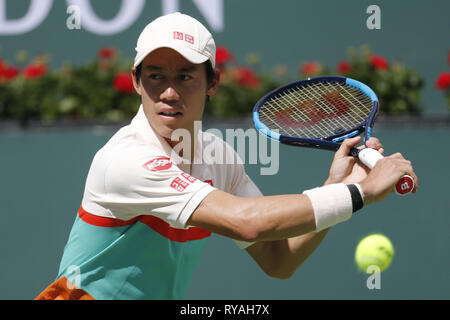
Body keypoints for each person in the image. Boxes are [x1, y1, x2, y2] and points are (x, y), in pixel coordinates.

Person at [36, 12, 418, 300]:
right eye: (155, 76)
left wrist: (338, 185)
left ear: (212, 83)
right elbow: (247, 223)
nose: (169, 92)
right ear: (136, 81)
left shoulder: (217, 157)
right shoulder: (124, 161)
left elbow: (278, 259)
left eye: (185, 77)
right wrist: (362, 192)